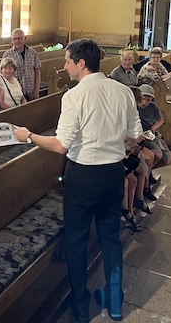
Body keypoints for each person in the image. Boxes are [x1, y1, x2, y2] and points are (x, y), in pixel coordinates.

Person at [13, 39, 143, 323]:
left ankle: (81, 306)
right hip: (113, 173)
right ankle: (115, 303)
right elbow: (136, 135)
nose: (65, 66)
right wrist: (110, 136)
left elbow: (61, 145)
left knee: (76, 239)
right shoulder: (123, 91)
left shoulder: (74, 96)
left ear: (81, 63)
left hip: (83, 175)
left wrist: (29, 136)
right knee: (110, 238)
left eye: (67, 61)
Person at [136, 84, 171, 169]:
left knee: (168, 160)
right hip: (142, 135)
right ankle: (146, 173)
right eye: (142, 99)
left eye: (148, 100)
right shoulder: (134, 107)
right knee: (158, 155)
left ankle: (148, 171)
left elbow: (160, 121)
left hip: (152, 134)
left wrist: (153, 128)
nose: (144, 102)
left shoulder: (153, 106)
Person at [3, 28, 42, 101]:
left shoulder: (33, 53)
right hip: (15, 94)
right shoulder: (7, 55)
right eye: (15, 39)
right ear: (12, 40)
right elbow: (2, 74)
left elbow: (37, 72)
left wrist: (36, 91)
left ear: (25, 39)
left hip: (31, 92)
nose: (17, 41)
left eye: (20, 38)